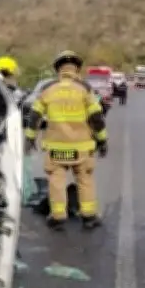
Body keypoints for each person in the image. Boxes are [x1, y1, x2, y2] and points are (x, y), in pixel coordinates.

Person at [24, 50, 108, 230]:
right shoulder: (85, 89)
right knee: (85, 180)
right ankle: (89, 216)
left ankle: (58, 216)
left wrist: (29, 139)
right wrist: (102, 140)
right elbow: (97, 118)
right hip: (82, 148)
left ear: (58, 69)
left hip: (56, 148)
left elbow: (34, 115)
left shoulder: (48, 89)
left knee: (56, 181)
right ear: (77, 69)